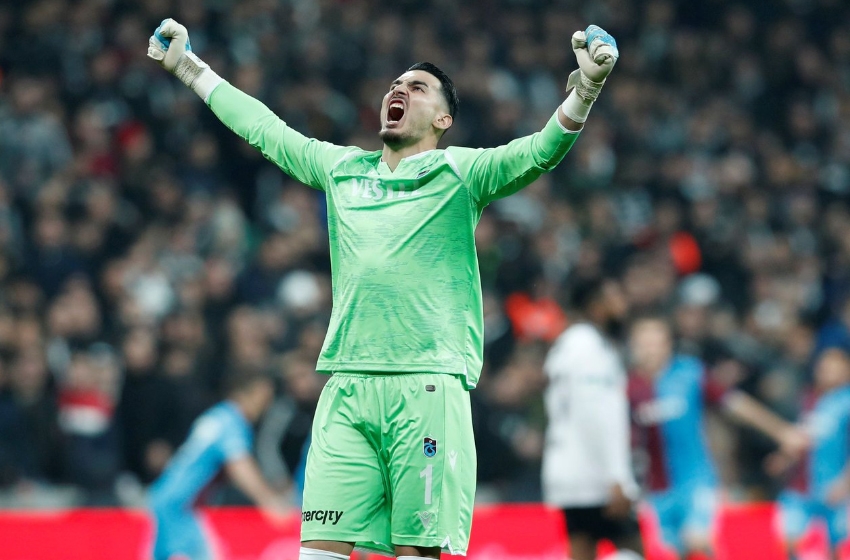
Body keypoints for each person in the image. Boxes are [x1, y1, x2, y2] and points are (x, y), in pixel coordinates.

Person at [147, 17, 619, 560]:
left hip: (426, 386)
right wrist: (189, 67)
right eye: (395, 84)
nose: (400, 89)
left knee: (414, 555)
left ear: (443, 119)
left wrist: (586, 89)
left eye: (417, 87)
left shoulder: (460, 173)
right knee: (317, 553)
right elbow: (264, 129)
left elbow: (538, 152)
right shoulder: (342, 169)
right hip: (346, 388)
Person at [627, 316, 808, 559]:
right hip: (656, 490)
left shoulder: (689, 373)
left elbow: (735, 404)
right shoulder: (628, 388)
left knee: (696, 540)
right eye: (644, 344)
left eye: (656, 343)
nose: (650, 350)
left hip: (696, 482)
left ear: (668, 345)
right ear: (633, 347)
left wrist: (780, 430)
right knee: (668, 551)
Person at [542, 277, 644, 560]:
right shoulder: (590, 350)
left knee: (582, 548)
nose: (622, 305)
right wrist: (617, 477)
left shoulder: (567, 345)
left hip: (570, 470)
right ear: (597, 306)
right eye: (615, 298)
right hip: (595, 477)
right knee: (633, 550)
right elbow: (595, 416)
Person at [148, 370, 286, 560]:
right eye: (262, 398)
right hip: (179, 509)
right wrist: (270, 502)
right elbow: (240, 466)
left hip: (165, 501)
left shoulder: (218, 416)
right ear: (243, 393)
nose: (265, 406)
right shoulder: (232, 422)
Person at [767, 348, 850, 560]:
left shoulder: (846, 402)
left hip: (833, 486)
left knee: (835, 543)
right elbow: (799, 439)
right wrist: (783, 459)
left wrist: (845, 483)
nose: (826, 374)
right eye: (823, 368)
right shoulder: (806, 399)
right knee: (789, 539)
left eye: (833, 369)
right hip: (800, 486)